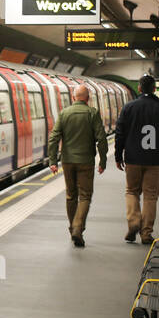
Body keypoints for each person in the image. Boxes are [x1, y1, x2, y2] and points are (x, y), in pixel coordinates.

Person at [115, 73, 159, 244]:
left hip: (133, 158)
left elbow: (120, 133)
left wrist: (117, 156)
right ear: (155, 89)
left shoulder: (129, 107)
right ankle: (146, 234)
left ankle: (134, 222)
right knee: (150, 196)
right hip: (155, 160)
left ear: (140, 88)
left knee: (131, 191)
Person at [47, 83, 107, 247]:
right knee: (85, 196)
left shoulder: (64, 113)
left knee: (70, 195)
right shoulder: (92, 113)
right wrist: (103, 160)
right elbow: (101, 139)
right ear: (88, 99)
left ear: (74, 98)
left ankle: (73, 227)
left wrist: (52, 161)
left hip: (67, 161)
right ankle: (77, 228)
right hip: (86, 161)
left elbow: (53, 137)